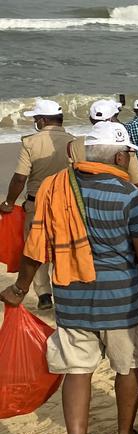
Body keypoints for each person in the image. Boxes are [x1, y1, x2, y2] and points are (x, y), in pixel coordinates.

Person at [1, 122, 138, 434]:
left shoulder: (55, 190)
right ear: (119, 156)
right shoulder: (128, 196)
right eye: (128, 154)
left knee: (77, 371)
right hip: (122, 302)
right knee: (127, 367)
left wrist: (21, 287)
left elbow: (35, 247)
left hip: (71, 299)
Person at [0, 99, 72, 310]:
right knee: (62, 248)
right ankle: (63, 290)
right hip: (66, 204)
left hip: (36, 204)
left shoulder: (31, 142)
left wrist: (8, 202)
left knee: (35, 248)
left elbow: (20, 178)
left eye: (35, 119)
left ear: (42, 120)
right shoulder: (74, 141)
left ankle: (44, 294)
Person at [72, 99, 138, 215]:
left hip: (84, 202)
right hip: (116, 202)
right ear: (112, 118)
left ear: (91, 119)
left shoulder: (75, 143)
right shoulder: (120, 145)